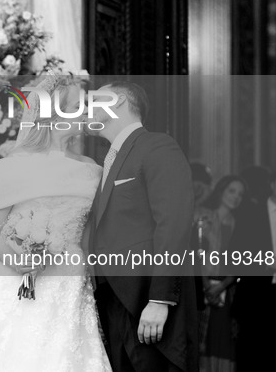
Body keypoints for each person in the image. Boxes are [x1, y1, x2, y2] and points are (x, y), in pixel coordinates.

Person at [0, 75, 112, 371]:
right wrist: (19, 259)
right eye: (78, 105)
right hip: (17, 281)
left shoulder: (93, 172)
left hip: (71, 286)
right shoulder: (14, 167)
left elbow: (90, 234)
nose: (86, 112)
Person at [86, 81, 199, 372]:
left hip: (147, 300)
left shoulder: (157, 145)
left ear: (119, 100)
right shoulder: (108, 160)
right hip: (113, 301)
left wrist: (160, 299)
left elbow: (173, 224)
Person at [232, 164, 276, 372]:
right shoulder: (250, 213)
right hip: (257, 298)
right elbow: (235, 255)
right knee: (254, 359)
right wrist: (268, 261)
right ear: (273, 184)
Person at [194, 176, 246, 372]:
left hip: (228, 290)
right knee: (201, 340)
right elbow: (193, 253)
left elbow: (241, 261)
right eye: (232, 191)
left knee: (224, 343)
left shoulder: (240, 223)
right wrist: (207, 285)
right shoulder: (201, 215)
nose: (236, 197)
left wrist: (222, 286)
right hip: (201, 287)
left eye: (240, 194)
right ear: (221, 190)